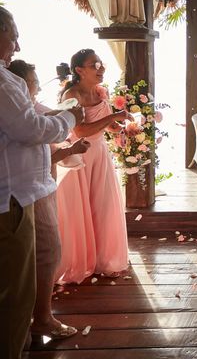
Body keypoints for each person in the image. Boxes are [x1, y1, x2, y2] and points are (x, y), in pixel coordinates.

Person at [0, 7, 82, 358]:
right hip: (12, 195)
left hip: (22, 191)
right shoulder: (3, 82)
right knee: (14, 292)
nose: (16, 45)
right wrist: (69, 116)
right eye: (13, 35)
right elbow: (29, 130)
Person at [7, 60, 91, 343]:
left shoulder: (30, 106)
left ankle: (36, 317)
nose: (35, 86)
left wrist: (69, 120)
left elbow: (47, 123)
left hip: (37, 188)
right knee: (44, 254)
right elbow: (38, 131)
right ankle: (38, 319)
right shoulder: (14, 98)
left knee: (41, 255)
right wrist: (70, 118)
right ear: (19, 82)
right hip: (25, 191)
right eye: (32, 81)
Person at [55, 49, 130, 283]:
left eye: (101, 64)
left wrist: (125, 128)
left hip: (100, 155)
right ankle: (81, 262)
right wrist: (113, 118)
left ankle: (104, 259)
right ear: (79, 70)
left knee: (103, 205)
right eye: (94, 65)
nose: (101, 68)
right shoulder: (72, 94)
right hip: (79, 156)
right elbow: (79, 131)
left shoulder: (100, 92)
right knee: (82, 210)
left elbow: (106, 126)